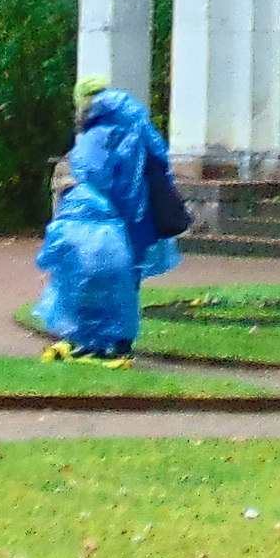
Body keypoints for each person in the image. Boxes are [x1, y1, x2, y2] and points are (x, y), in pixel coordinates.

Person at [38, 84, 189, 359]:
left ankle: (93, 341)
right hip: (140, 223)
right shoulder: (142, 133)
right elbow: (160, 167)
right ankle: (120, 343)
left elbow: (92, 176)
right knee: (127, 282)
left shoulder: (96, 137)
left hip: (105, 221)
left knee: (91, 280)